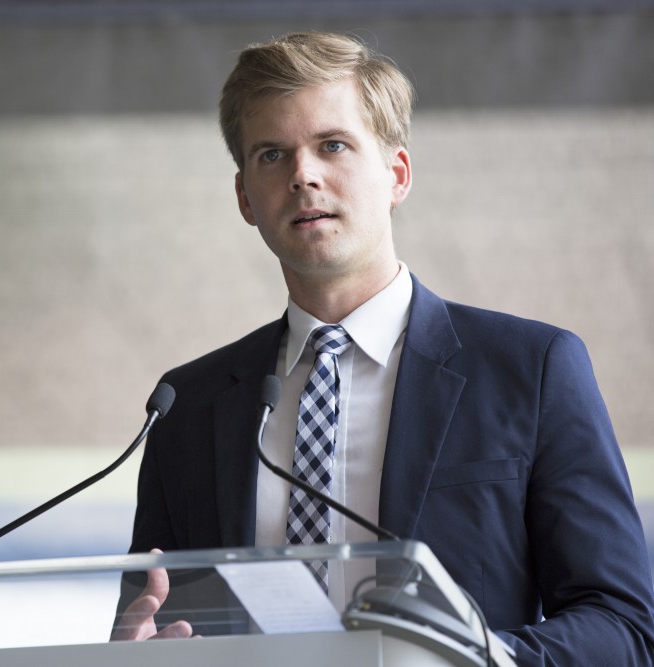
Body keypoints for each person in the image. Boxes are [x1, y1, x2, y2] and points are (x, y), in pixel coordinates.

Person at [113, 31, 654, 665]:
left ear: (396, 175)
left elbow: (621, 626)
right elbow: (153, 621)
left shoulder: (532, 369)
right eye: (271, 155)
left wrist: (475, 659)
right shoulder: (187, 404)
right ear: (245, 200)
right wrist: (131, 653)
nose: (303, 175)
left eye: (333, 145)